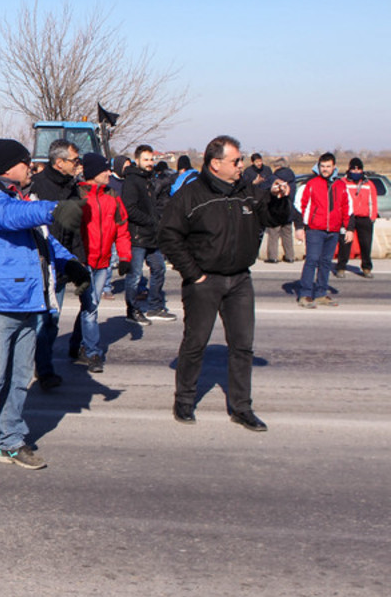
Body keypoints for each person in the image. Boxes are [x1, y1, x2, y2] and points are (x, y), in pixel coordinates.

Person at [0, 139, 87, 476]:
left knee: (20, 379)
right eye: (26, 162)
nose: (31, 168)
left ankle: (10, 441)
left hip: (28, 300)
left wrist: (69, 263)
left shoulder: (19, 197)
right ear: (8, 166)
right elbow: (11, 217)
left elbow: (43, 237)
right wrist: (54, 209)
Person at [159, 135, 291, 431]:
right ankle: (184, 400)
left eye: (241, 160)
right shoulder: (190, 196)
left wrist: (280, 199)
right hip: (204, 281)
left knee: (243, 346)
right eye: (236, 161)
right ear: (216, 164)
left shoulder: (247, 192)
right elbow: (168, 236)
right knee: (195, 343)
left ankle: (242, 408)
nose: (242, 165)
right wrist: (194, 274)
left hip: (240, 280)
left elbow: (271, 218)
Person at [28, 139, 82, 391]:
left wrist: (75, 261)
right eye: (74, 160)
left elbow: (75, 230)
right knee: (41, 321)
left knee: (53, 319)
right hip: (39, 264)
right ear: (59, 162)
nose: (77, 165)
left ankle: (42, 364)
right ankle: (44, 369)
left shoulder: (72, 188)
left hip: (60, 263)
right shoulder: (37, 187)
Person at [71, 153, 131, 373]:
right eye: (104, 170)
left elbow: (122, 229)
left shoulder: (112, 197)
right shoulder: (78, 196)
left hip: (103, 262)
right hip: (85, 261)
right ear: (93, 173)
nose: (108, 173)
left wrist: (125, 257)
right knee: (91, 307)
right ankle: (92, 351)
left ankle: (76, 345)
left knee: (90, 306)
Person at [122, 144, 176, 325]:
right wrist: (151, 221)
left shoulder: (149, 179)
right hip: (138, 236)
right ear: (137, 160)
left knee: (159, 268)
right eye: (146, 159)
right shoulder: (132, 180)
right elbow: (129, 209)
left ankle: (155, 306)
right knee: (135, 275)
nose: (150, 163)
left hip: (152, 236)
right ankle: (132, 309)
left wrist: (158, 221)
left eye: (151, 159)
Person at [294, 153, 350, 307]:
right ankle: (305, 294)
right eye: (322, 166)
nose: (325, 169)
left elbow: (347, 207)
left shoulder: (340, 185)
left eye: (328, 166)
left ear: (334, 167)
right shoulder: (310, 184)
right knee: (312, 260)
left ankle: (320, 293)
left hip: (333, 230)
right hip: (315, 229)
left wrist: (348, 228)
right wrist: (299, 227)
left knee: (326, 262)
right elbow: (299, 206)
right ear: (318, 167)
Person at [336, 158, 378, 278]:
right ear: (349, 169)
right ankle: (341, 267)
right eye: (353, 168)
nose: (356, 171)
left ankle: (366, 267)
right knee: (345, 243)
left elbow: (373, 202)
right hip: (348, 217)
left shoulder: (368, 184)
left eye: (358, 169)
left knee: (366, 244)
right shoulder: (343, 182)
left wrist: (372, 217)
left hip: (364, 218)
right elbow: (339, 200)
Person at [263, 158, 297, 263]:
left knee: (273, 235)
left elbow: (263, 187)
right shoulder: (292, 177)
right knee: (287, 235)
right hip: (288, 210)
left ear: (278, 166)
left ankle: (273, 257)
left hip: (276, 210)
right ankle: (290, 256)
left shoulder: (275, 178)